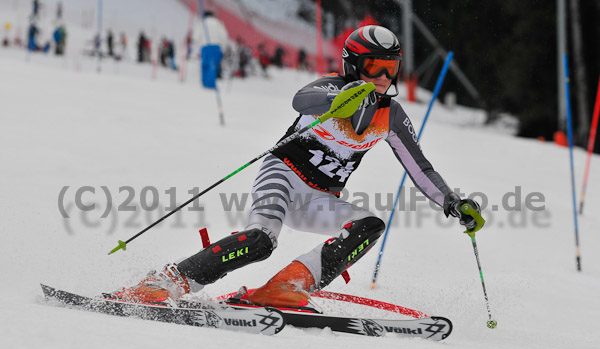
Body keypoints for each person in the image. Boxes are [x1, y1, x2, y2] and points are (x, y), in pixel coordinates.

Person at [109, 26, 482, 308]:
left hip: (318, 198)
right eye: (374, 67)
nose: (383, 79)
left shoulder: (392, 116)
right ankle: (168, 281)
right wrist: (344, 103)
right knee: (260, 241)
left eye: (391, 69)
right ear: (353, 65)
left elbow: (420, 169)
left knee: (370, 225)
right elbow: (300, 98)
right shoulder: (334, 89)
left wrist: (452, 201)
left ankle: (289, 285)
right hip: (282, 175)